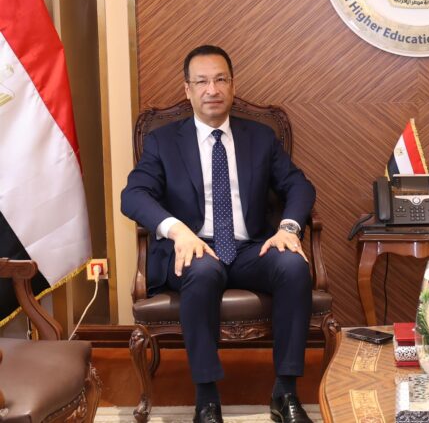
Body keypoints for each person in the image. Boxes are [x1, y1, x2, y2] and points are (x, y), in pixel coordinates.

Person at [122, 45, 315, 423]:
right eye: (202, 82)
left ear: (232, 85)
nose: (212, 89)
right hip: (194, 248)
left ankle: (285, 392)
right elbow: (133, 195)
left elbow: (299, 186)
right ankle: (207, 400)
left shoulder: (260, 137)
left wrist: (288, 228)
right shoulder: (163, 141)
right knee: (203, 270)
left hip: (250, 248)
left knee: (293, 266)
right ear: (188, 89)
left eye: (220, 79)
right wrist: (178, 231)